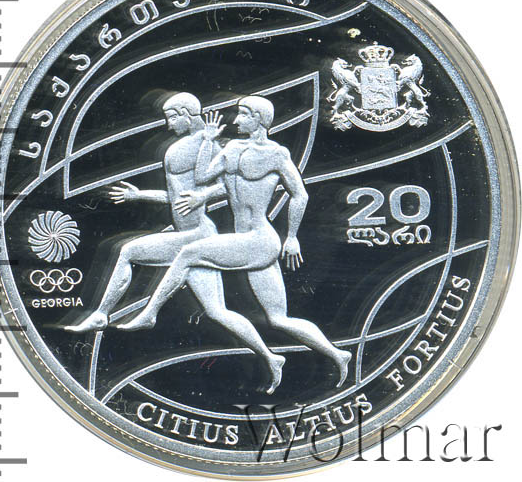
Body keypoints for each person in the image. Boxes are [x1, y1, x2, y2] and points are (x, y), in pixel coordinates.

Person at [119, 96, 351, 387]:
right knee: (278, 319)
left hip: (260, 239)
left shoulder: (277, 154)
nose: (236, 120)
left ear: (259, 119)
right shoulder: (231, 148)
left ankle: (149, 314)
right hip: (246, 241)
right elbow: (202, 177)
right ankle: (332, 354)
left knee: (189, 253)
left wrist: (292, 237)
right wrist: (208, 141)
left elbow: (299, 194)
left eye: (243, 114)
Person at [65, 92, 285, 393]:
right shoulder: (189, 145)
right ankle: (271, 357)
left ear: (186, 114)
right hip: (192, 232)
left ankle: (107, 315)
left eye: (171, 117)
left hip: (196, 234)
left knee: (128, 251)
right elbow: (177, 197)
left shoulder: (208, 145)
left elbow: (224, 186)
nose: (168, 124)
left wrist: (203, 187)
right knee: (217, 312)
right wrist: (139, 195)